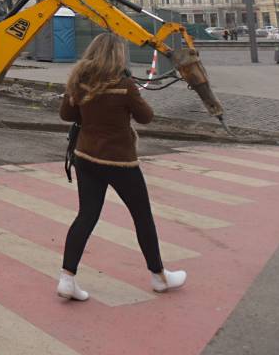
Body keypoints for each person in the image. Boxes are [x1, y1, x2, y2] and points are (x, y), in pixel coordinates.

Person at [56, 33, 187, 301]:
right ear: (118, 56)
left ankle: (67, 278)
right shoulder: (125, 85)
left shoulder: (80, 82)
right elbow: (146, 117)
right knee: (142, 216)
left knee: (86, 216)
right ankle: (159, 276)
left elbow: (66, 115)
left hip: (86, 157)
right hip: (120, 161)